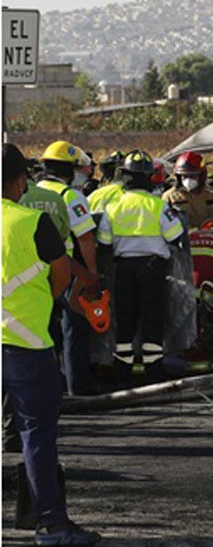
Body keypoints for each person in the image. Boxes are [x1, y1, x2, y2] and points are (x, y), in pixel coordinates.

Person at [2, 143, 102, 546]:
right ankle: (52, 526)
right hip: (26, 345)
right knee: (36, 435)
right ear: (20, 181)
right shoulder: (33, 222)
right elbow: (61, 278)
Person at [97, 151, 185, 374]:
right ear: (149, 177)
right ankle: (153, 370)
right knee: (152, 319)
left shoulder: (113, 206)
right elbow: (175, 235)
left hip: (124, 269)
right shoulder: (158, 205)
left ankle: (123, 372)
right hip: (153, 269)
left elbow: (104, 241)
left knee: (125, 320)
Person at [37, 141, 100, 395]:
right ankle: (78, 388)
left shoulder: (32, 192)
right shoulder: (70, 196)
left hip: (35, 273)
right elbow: (85, 238)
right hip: (68, 271)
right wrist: (92, 275)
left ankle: (53, 387)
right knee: (74, 328)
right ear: (69, 169)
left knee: (46, 331)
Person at [162, 151, 213, 230]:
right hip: (183, 237)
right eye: (185, 176)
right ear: (179, 177)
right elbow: (164, 225)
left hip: (209, 237)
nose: (188, 180)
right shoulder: (169, 198)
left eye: (192, 176)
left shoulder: (211, 195)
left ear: (201, 176)